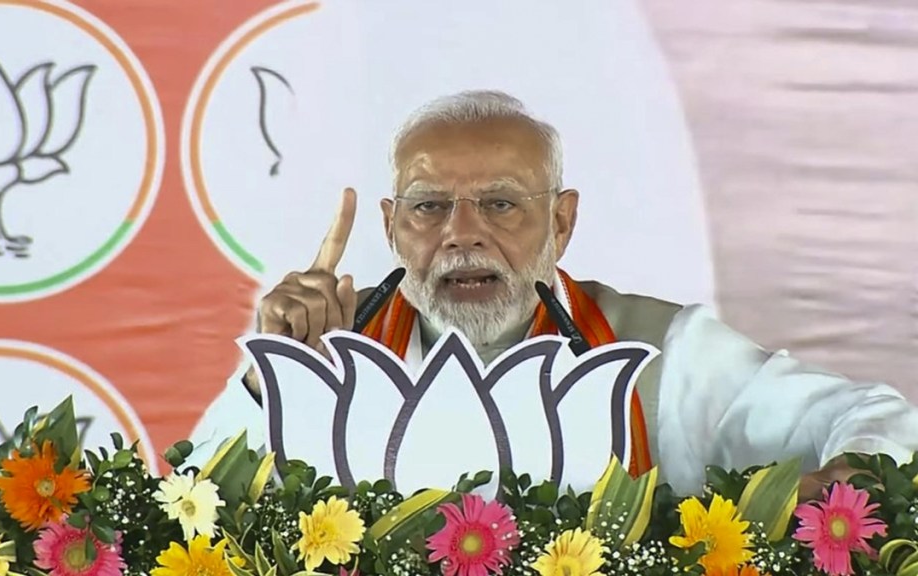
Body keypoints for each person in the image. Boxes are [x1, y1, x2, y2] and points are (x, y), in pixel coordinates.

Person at [188, 90, 918, 499]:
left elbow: (876, 418)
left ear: (562, 222)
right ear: (389, 225)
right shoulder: (331, 352)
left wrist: (851, 477)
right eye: (428, 206)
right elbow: (187, 504)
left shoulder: (659, 350)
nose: (460, 234)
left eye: (501, 205)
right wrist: (271, 375)